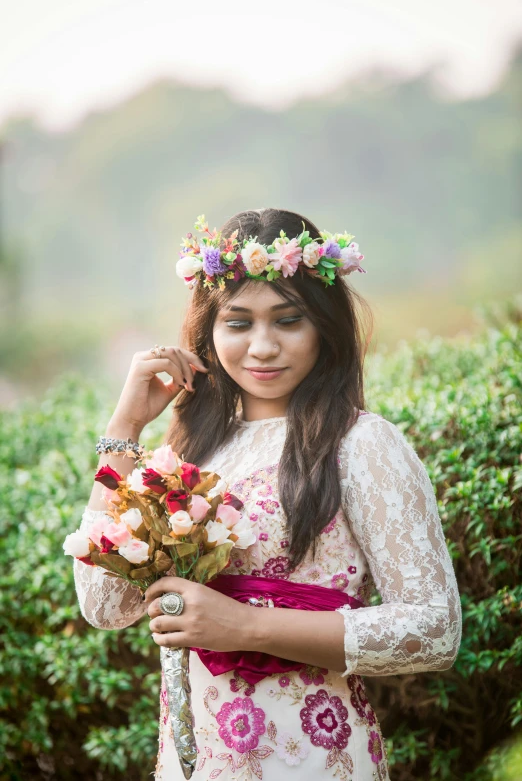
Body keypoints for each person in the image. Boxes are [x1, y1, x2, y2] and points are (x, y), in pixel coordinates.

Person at [73, 208, 462, 780]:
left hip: (312, 757)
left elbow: (434, 631)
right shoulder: (190, 455)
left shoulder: (362, 443)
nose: (262, 347)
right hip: (195, 763)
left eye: (287, 320)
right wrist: (125, 430)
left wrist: (246, 626)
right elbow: (106, 606)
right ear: (208, 330)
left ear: (323, 327)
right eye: (238, 323)